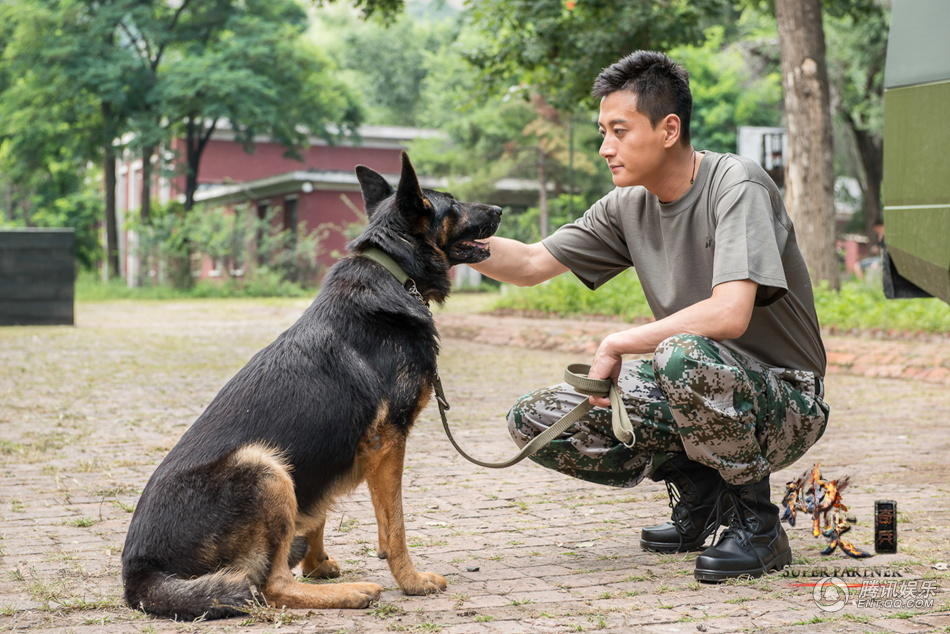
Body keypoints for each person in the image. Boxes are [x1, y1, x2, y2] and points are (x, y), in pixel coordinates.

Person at [470, 50, 829, 582]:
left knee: (677, 356)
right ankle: (703, 494)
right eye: (601, 132)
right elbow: (527, 263)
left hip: (787, 400)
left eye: (619, 130)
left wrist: (619, 342)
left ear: (668, 129)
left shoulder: (737, 184)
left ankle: (757, 525)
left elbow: (730, 313)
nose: (605, 148)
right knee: (537, 417)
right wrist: (439, 236)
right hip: (700, 386)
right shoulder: (626, 204)